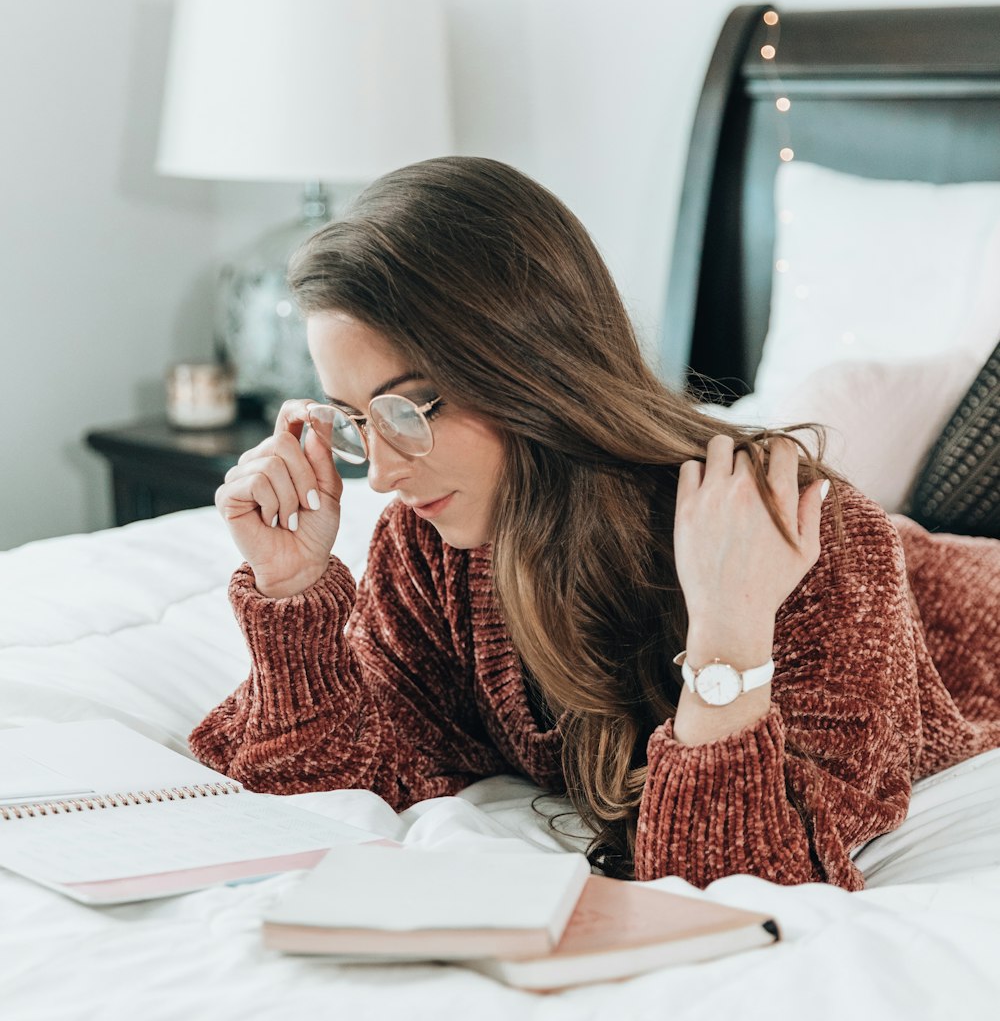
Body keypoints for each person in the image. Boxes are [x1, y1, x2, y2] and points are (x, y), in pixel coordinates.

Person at [190, 156, 1000, 889]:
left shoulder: (813, 546)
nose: (386, 475)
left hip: (966, 618)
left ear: (527, 365)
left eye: (406, 411)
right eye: (354, 421)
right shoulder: (432, 545)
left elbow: (738, 878)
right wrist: (292, 595)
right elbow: (341, 773)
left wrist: (726, 634)